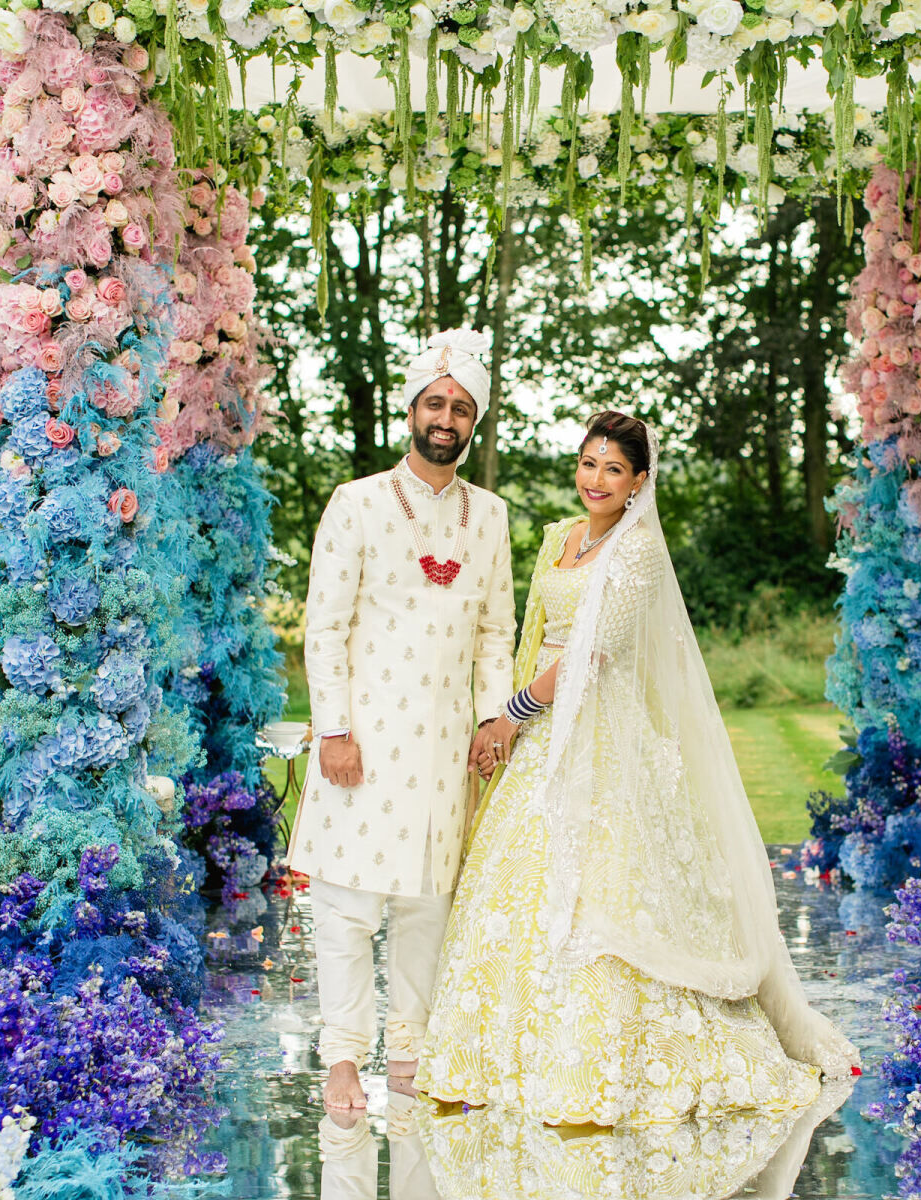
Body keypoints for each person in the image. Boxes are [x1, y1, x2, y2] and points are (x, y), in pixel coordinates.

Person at [416, 411, 858, 1126]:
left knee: (608, 889)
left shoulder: (640, 552)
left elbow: (593, 654)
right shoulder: (560, 537)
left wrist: (512, 712)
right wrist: (507, 725)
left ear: (639, 481)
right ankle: (492, 1058)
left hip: (601, 733)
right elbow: (535, 628)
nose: (596, 480)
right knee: (516, 885)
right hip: (539, 732)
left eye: (613, 469)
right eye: (589, 463)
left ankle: (603, 1062)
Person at [289, 328, 516, 1110]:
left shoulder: (489, 516)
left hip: (449, 745)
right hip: (369, 740)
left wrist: (495, 719)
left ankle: (412, 1045)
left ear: (473, 422)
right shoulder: (355, 504)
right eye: (435, 403)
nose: (446, 417)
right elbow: (324, 626)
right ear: (411, 409)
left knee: (429, 901)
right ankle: (345, 1056)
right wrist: (335, 730)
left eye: (461, 407)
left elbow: (496, 631)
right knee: (349, 904)